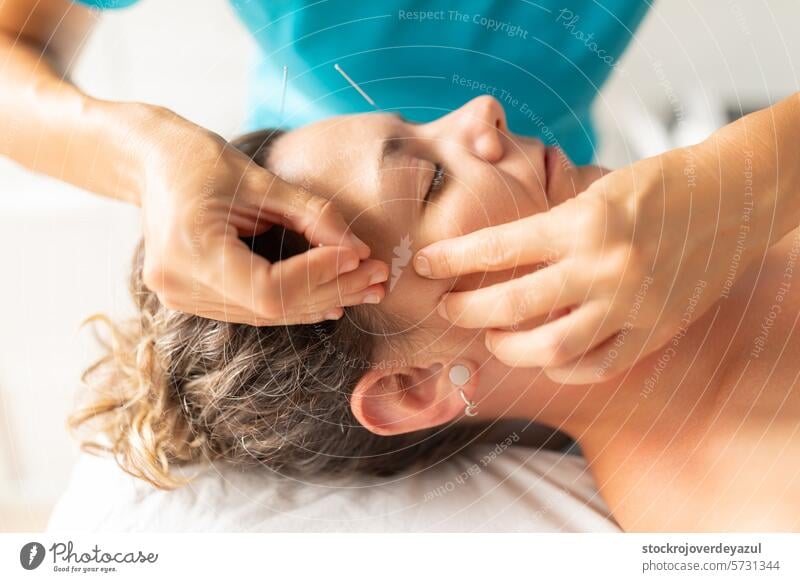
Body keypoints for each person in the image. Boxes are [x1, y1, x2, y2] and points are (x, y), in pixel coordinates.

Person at [71, 98, 800, 531]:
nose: (484, 111)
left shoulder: (751, 181)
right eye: (432, 180)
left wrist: (756, 176)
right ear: (414, 385)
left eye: (422, 121)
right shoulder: (752, 509)